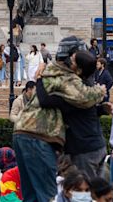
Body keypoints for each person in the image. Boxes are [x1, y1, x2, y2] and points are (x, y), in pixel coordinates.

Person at [14, 36, 106, 201]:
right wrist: (101, 90)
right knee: (48, 196)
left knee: (31, 195)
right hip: (39, 135)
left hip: (22, 132)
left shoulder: (51, 71)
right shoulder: (67, 77)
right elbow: (86, 97)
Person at [36, 51, 108, 179]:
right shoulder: (88, 87)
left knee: (85, 193)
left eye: (73, 61)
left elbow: (45, 101)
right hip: (98, 145)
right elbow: (87, 112)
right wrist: (102, 109)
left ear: (79, 70)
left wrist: (39, 78)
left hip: (83, 150)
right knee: (98, 193)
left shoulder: (74, 91)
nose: (69, 62)